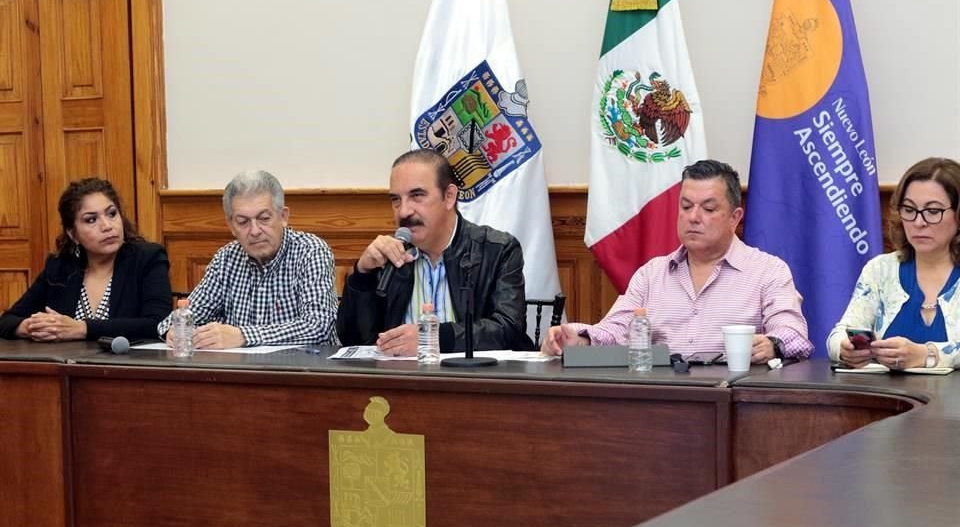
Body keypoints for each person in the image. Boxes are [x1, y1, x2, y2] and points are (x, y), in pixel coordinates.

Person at [542, 159, 813, 362]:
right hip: (662, 403)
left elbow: (795, 335)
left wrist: (772, 344)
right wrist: (577, 338)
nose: (693, 217)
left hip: (736, 403)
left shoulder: (767, 271)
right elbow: (617, 331)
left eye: (708, 208)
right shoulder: (652, 274)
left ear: (735, 217)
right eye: (685, 207)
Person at [337, 149, 532, 355]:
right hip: (400, 381)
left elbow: (509, 330)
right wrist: (362, 276)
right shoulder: (387, 256)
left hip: (473, 381)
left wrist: (431, 338)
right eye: (396, 200)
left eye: (417, 196)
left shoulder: (497, 250)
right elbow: (353, 339)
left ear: (449, 196)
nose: (403, 212)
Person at [157, 170, 338, 349]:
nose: (255, 231)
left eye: (264, 219)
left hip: (301, 372)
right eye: (243, 222)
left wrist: (243, 335)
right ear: (231, 226)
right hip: (241, 372)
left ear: (283, 217)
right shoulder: (226, 259)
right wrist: (174, 332)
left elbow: (319, 325)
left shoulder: (310, 251)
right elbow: (177, 320)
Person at [0, 177, 171, 341]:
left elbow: (158, 324)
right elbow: (7, 320)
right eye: (91, 220)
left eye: (112, 214)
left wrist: (82, 329)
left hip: (126, 367)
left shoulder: (148, 258)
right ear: (73, 234)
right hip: (68, 366)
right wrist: (34, 327)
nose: (107, 226)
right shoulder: (60, 266)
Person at [828, 157, 960, 369]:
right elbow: (838, 334)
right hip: (889, 398)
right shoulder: (880, 269)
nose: (919, 222)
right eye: (909, 209)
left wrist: (927, 355)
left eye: (933, 211)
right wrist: (844, 350)